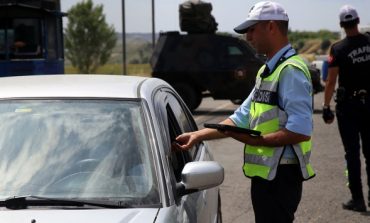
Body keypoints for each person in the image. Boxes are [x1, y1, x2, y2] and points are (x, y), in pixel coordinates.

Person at [174, 1, 315, 222]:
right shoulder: (267, 71)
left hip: (281, 176)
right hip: (267, 176)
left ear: (271, 27)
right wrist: (197, 135)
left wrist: (258, 141)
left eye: (252, 29)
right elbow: (241, 116)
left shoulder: (290, 71)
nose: (248, 37)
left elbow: (301, 130)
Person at [322, 4, 370, 212]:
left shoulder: (338, 48)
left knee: (352, 154)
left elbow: (331, 81)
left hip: (348, 107)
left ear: (341, 24)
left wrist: (325, 106)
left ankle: (358, 200)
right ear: (357, 21)